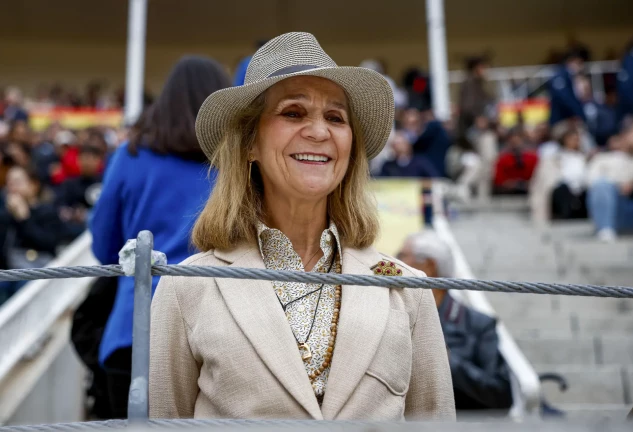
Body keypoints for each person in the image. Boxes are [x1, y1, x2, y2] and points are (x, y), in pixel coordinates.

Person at [150, 32, 455, 421]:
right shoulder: (185, 289)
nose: (319, 131)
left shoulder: (408, 291)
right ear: (250, 143)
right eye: (293, 113)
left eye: (335, 117)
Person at [89, 55, 231, 418]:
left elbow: (105, 246)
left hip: (133, 329)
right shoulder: (235, 162)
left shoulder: (130, 156)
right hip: (217, 329)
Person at [397, 231, 513, 413]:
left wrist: (446, 359)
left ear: (428, 266)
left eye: (402, 256)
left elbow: (501, 394)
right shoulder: (395, 314)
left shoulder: (479, 325)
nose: (394, 262)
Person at [0, 166, 66, 303]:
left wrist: (24, 218)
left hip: (36, 269)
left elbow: (48, 244)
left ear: (33, 185)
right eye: (9, 184)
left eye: (17, 182)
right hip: (8, 272)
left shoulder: (47, 211)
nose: (12, 188)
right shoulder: (5, 216)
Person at [586, 124, 633, 242]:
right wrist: (619, 184)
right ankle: (605, 229)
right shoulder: (603, 159)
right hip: (617, 206)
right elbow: (591, 181)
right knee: (601, 184)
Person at [530, 127, 588, 223]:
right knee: (563, 189)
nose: (575, 142)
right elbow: (545, 180)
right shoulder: (554, 158)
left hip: (581, 190)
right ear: (565, 140)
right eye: (572, 139)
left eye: (577, 139)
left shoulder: (583, 157)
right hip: (561, 190)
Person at [493, 127, 538, 195]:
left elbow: (538, 177)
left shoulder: (533, 158)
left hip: (530, 192)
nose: (516, 143)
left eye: (518, 140)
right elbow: (498, 180)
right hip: (507, 193)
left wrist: (528, 184)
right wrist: (510, 184)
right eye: (513, 141)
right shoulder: (502, 159)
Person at [548, 49, 586, 126]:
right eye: (579, 63)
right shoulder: (560, 76)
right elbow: (565, 98)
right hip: (561, 120)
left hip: (569, 118)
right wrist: (579, 113)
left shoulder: (570, 77)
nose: (581, 66)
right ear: (571, 61)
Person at [458, 56, 494, 136]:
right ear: (476, 68)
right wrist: (477, 118)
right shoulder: (469, 83)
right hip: (473, 125)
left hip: (481, 121)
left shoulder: (481, 82)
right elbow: (467, 105)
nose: (484, 70)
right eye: (482, 67)